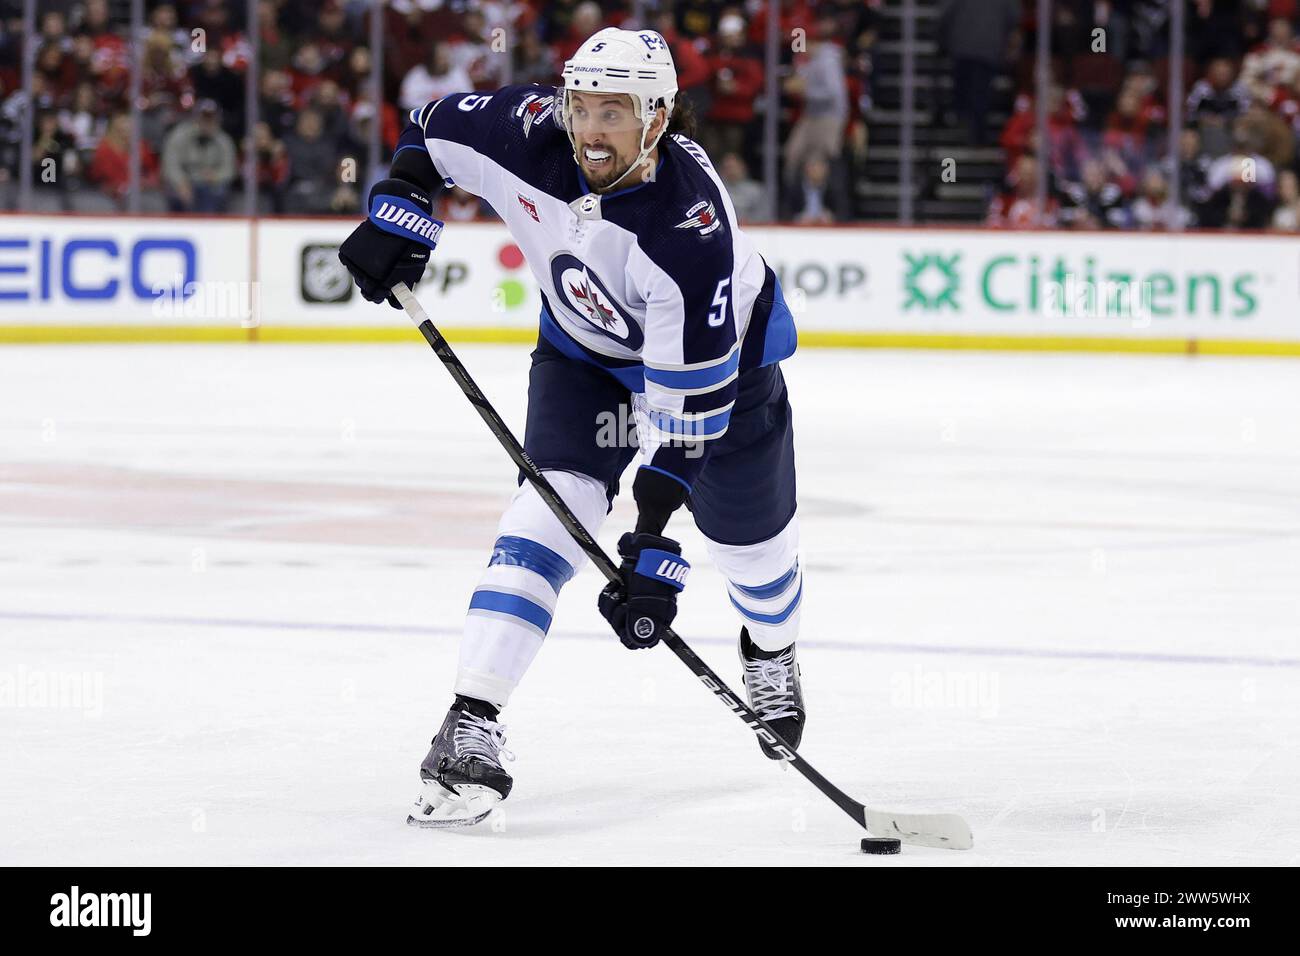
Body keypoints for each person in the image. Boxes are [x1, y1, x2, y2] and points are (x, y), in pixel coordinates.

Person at [338, 27, 804, 828]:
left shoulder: (690, 234)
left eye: (612, 111)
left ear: (657, 119)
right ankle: (470, 721)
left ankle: (772, 650)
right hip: (582, 356)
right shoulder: (529, 131)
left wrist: (652, 543)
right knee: (550, 510)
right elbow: (429, 131)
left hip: (728, 374)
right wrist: (402, 205)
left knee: (747, 547)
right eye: (580, 104)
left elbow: (683, 426)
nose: (588, 127)